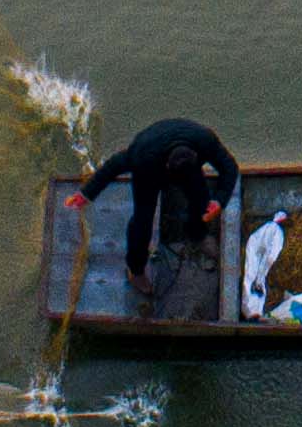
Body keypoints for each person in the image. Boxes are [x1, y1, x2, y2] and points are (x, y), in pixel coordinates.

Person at [82, 118, 239, 301]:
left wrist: (219, 201)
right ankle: (136, 270)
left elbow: (229, 167)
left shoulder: (205, 141)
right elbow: (112, 167)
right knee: (142, 221)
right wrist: (86, 193)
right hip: (149, 173)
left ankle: (197, 233)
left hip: (189, 171)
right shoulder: (142, 154)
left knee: (201, 199)